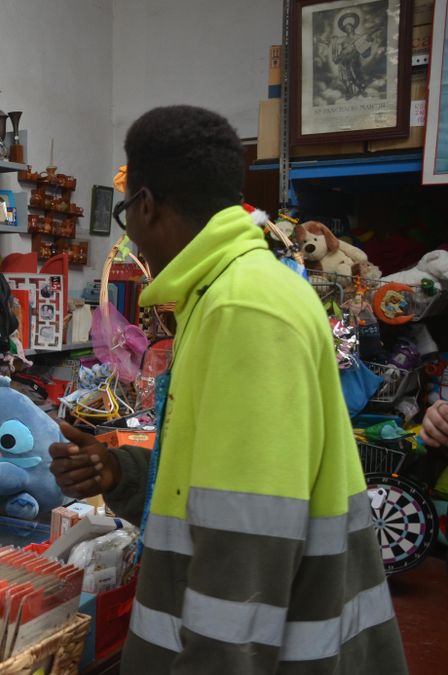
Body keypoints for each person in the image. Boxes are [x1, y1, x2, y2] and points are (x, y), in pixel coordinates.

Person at [48, 106, 406, 673]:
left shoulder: (244, 308)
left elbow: (248, 547)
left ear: (145, 205)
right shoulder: (223, 294)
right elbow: (227, 479)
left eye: (125, 213)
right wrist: (121, 474)